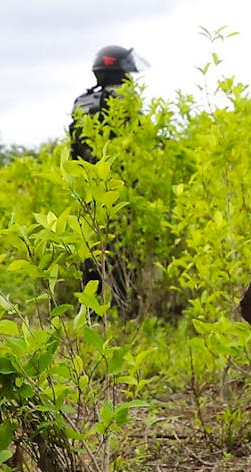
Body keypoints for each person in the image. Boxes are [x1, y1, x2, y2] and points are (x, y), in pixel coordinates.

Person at [69, 45, 144, 310]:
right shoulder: (125, 100)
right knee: (123, 253)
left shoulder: (82, 102)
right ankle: (125, 309)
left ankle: (92, 312)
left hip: (90, 188)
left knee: (92, 251)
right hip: (121, 188)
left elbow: (73, 150)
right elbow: (139, 143)